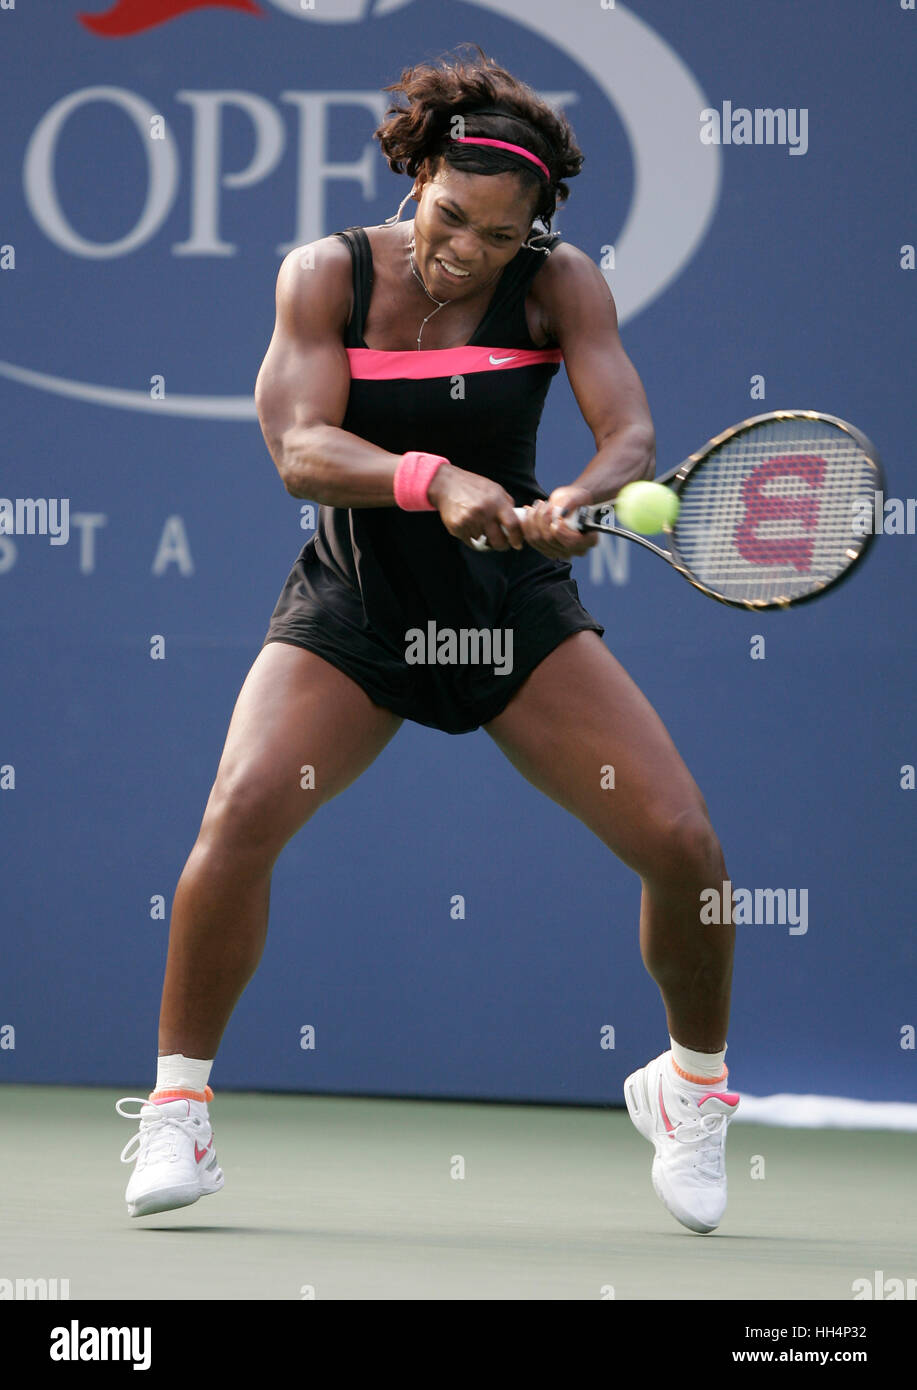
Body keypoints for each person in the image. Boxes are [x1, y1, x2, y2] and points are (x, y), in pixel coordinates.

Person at [117, 45, 738, 1236]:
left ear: (534, 233)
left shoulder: (563, 287)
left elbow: (630, 433)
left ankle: (691, 1091)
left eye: (498, 238)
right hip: (358, 610)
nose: (463, 250)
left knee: (683, 843)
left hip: (508, 613)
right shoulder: (326, 274)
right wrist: (431, 476)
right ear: (418, 179)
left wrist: (578, 499)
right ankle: (177, 1109)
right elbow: (300, 448)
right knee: (238, 814)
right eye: (450, 218)